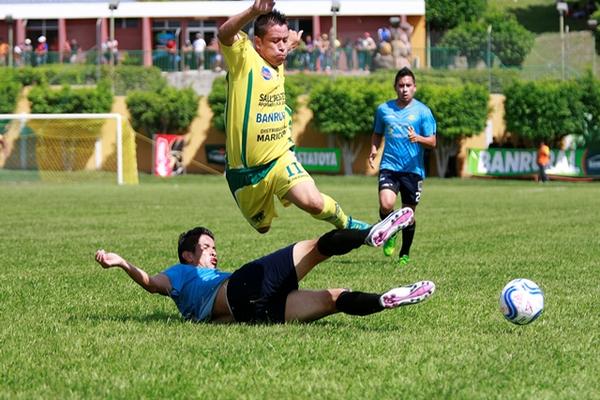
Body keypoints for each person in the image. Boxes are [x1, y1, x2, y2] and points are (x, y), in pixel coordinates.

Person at [94, 208, 435, 324]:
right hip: (246, 286)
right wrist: (124, 263)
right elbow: (152, 283)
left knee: (334, 300)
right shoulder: (181, 273)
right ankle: (368, 236)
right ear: (187, 255)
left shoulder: (191, 308)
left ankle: (384, 299)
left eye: (214, 248)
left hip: (251, 312)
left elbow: (222, 319)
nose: (213, 253)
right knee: (317, 248)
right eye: (206, 248)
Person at [216, 0, 369, 234]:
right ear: (257, 43)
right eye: (275, 41)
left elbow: (284, 46)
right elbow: (224, 34)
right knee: (262, 227)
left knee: (314, 202)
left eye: (284, 40)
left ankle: (349, 225)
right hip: (244, 172)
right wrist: (253, 11)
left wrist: (290, 43)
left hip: (280, 158)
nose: (281, 48)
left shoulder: (278, 60)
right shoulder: (245, 58)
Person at [368, 67, 436, 266]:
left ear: (414, 88)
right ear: (395, 87)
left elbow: (432, 141)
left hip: (413, 170)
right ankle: (390, 234)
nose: (404, 89)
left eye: (408, 85)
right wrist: (374, 149)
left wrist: (418, 138)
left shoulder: (423, 112)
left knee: (408, 215)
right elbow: (377, 133)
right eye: (401, 85)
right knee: (386, 204)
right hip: (389, 166)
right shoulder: (384, 110)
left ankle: (404, 253)